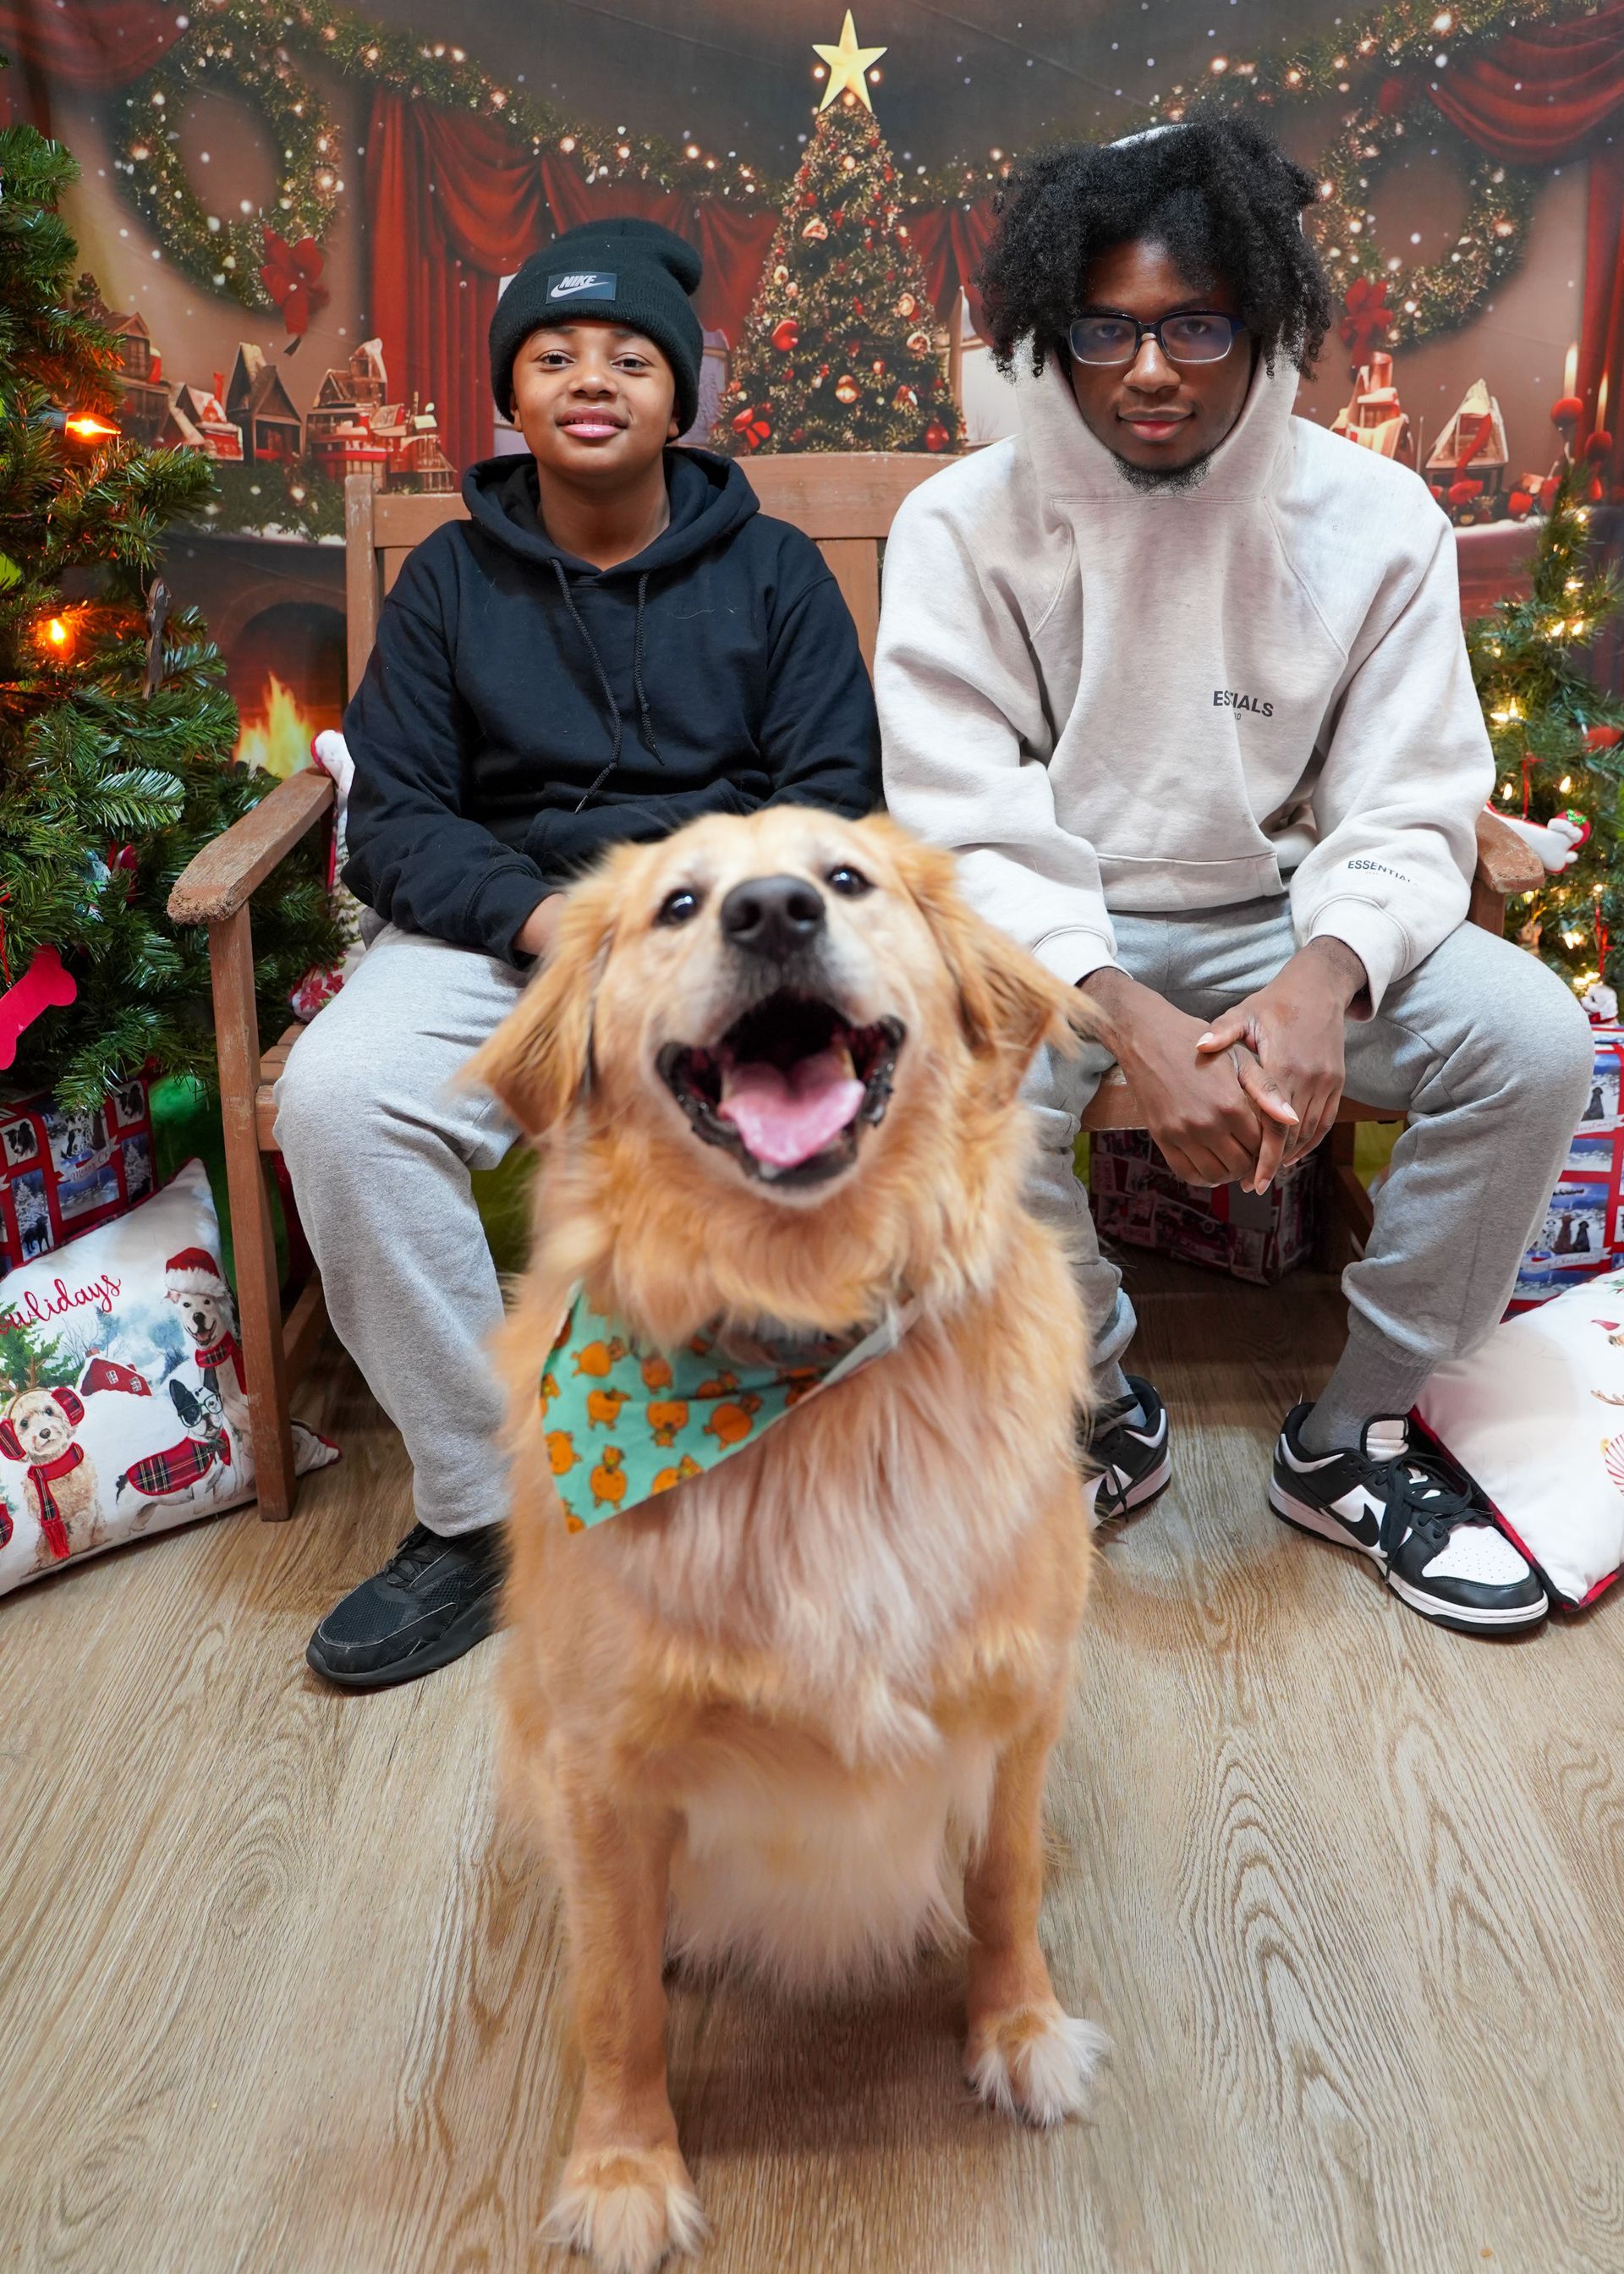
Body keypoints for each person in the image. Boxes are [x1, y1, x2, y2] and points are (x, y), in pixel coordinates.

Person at [876, 117, 1594, 1635]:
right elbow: (966, 824)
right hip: (1054, 937)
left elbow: (1411, 801)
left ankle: (1356, 1436)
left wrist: (1326, 974)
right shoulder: (961, 525)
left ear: (1264, 321)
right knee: (944, 1079)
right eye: (1106, 331)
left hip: (1292, 915)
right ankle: (1086, 1404)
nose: (1150, 370)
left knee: (1528, 1043)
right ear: (1046, 336)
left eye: (1196, 324)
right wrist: (1121, 1008)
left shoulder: (1378, 516)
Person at [277, 218, 880, 1689]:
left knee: (824, 1114)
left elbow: (831, 797)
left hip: (723, 942)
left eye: (629, 357)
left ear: (681, 398)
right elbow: (396, 819)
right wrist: (553, 925)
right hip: (510, 934)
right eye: (554, 356)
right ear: (514, 395)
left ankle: (752, 1492)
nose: (591, 379)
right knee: (340, 1104)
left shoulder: (777, 573)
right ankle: (485, 1514)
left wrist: (688, 924)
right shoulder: (449, 582)